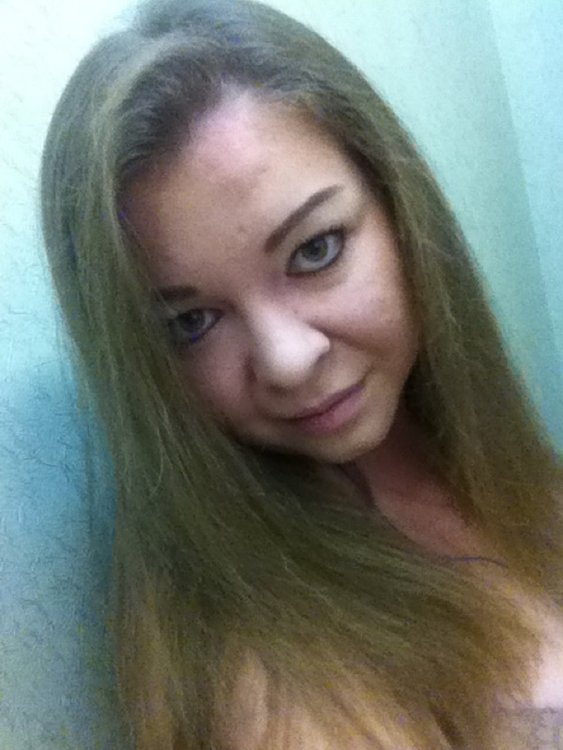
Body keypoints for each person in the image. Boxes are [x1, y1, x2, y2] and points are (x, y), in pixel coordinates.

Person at [40, 0, 563, 747]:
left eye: (315, 250)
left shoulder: (495, 465)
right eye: (190, 323)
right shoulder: (266, 676)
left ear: (400, 211)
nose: (288, 360)